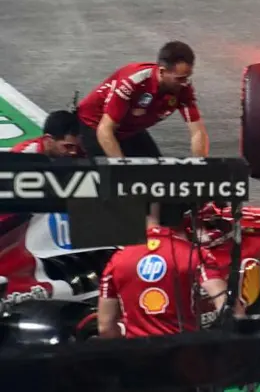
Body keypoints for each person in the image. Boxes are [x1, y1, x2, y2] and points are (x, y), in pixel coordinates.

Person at [76, 41, 209, 226]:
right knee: (124, 183)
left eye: (187, 77)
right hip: (95, 126)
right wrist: (124, 168)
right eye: (179, 78)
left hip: (130, 128)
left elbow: (197, 132)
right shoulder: (133, 82)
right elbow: (105, 130)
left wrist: (201, 167)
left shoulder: (183, 88)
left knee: (158, 175)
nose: (185, 83)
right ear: (162, 72)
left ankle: (163, 228)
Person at [97, 225, 237, 339]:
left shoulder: (118, 259)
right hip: (184, 358)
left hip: (138, 359)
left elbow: (105, 328)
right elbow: (226, 308)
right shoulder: (193, 253)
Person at [10, 110, 80, 157]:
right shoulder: (21, 158)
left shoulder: (80, 151)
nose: (74, 152)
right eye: (68, 147)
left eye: (76, 147)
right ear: (48, 140)